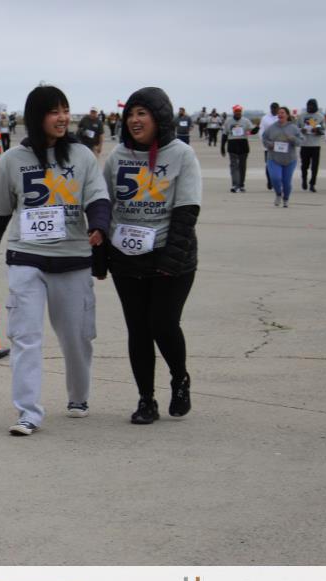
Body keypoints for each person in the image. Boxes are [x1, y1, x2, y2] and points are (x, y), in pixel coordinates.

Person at [0, 85, 110, 436]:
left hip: (73, 258)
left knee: (77, 337)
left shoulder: (81, 156)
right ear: (37, 117)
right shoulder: (13, 160)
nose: (63, 117)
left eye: (65, 110)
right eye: (54, 111)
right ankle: (28, 412)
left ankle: (78, 396)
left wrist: (99, 226)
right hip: (27, 257)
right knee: (25, 336)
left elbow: (97, 196)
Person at [104, 87, 201, 425]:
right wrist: (102, 252)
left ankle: (180, 378)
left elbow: (187, 211)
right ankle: (146, 399)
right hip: (126, 258)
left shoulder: (181, 155)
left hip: (170, 257)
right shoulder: (118, 156)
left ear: (159, 117)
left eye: (142, 113)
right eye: (130, 114)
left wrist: (170, 260)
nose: (134, 120)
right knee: (138, 330)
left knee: (163, 323)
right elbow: (104, 205)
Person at [261, 105, 301, 208]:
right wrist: (270, 145)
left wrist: (293, 139)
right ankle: (278, 194)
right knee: (275, 178)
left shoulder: (293, 128)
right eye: (279, 113)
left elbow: (300, 141)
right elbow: (264, 139)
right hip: (273, 158)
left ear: (287, 115)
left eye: (282, 113)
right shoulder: (271, 128)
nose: (280, 114)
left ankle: (286, 198)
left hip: (289, 159)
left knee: (286, 182)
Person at [221, 104, 256, 193]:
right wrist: (222, 147)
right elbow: (224, 135)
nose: (238, 113)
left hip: (243, 144)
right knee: (234, 166)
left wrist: (257, 128)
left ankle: (241, 184)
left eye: (239, 111)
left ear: (241, 112)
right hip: (232, 144)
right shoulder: (228, 121)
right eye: (236, 111)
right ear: (233, 112)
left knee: (242, 166)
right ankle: (235, 185)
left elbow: (252, 131)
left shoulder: (246, 121)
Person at [296, 98, 324, 192]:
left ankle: (312, 184)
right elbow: (296, 128)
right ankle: (304, 180)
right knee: (304, 166)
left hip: (315, 145)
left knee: (314, 166)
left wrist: (317, 130)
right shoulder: (302, 116)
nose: (310, 107)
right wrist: (301, 130)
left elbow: (323, 130)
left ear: (316, 106)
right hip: (304, 144)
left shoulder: (320, 116)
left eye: (312, 105)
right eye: (308, 105)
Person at [258, 102, 279, 190]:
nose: (274, 110)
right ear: (270, 109)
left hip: (279, 146)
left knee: (278, 164)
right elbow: (261, 131)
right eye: (273, 108)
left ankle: (276, 181)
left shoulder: (280, 117)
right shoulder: (265, 118)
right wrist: (265, 142)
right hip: (268, 145)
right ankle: (270, 180)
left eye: (276, 108)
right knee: (269, 164)